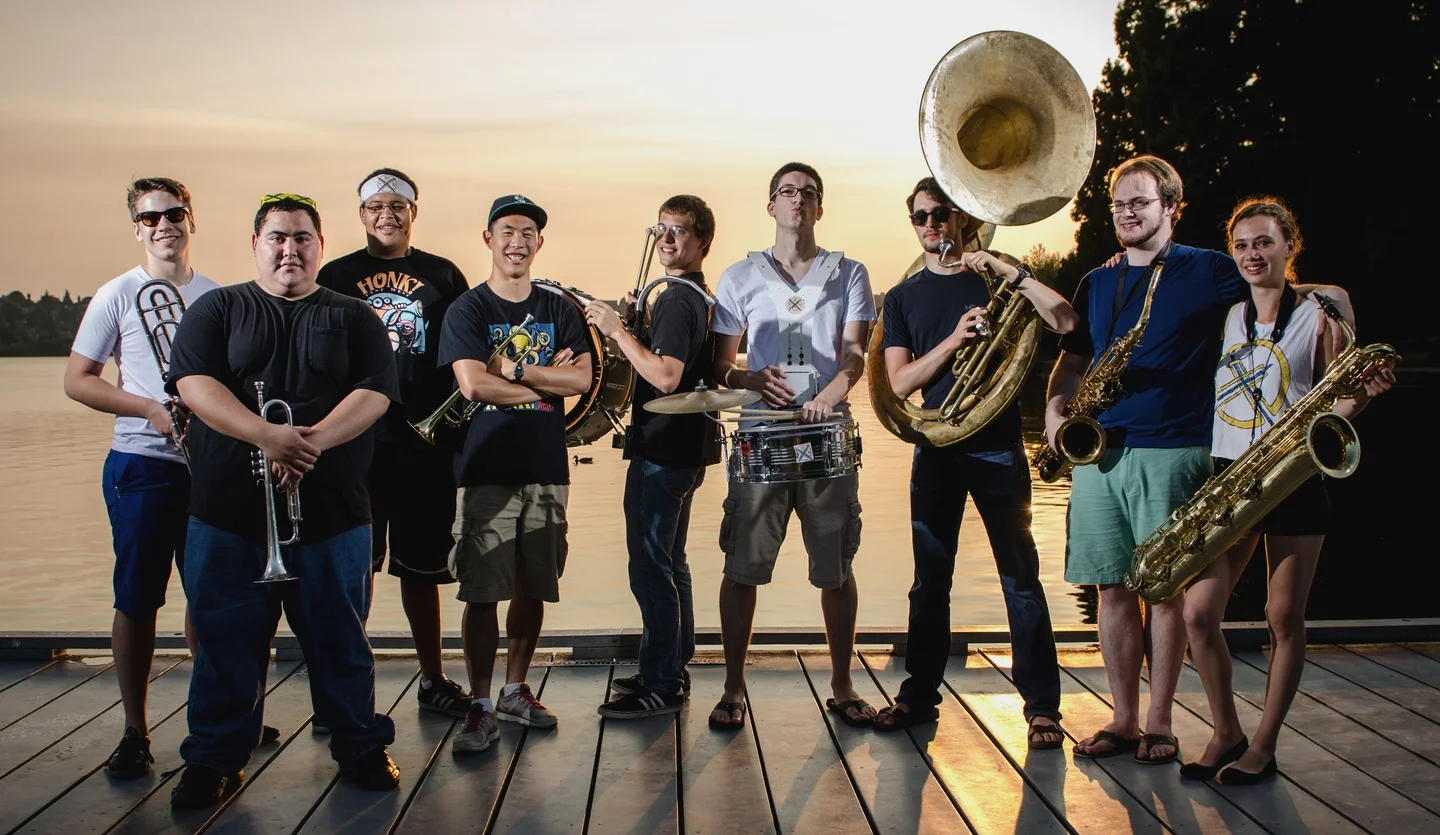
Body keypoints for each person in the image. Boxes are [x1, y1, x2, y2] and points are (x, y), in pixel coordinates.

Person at [1047, 156, 1345, 764]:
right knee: (1111, 588)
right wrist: (1055, 410)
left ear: (1171, 208)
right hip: (1102, 452)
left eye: (1141, 203)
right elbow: (1075, 359)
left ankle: (1161, 723)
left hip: (1180, 449)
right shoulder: (1097, 280)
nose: (1128, 214)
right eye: (1119, 205)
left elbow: (1277, 289)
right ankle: (1124, 719)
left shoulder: (1211, 271)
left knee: (1170, 592)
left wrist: (1333, 301)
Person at [164, 194, 401, 807]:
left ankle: (360, 746)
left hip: (334, 515)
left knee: (342, 640)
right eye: (277, 237)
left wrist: (308, 445)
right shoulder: (218, 308)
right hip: (227, 516)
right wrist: (265, 433)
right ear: (256, 245)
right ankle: (214, 757)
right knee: (223, 641)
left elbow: (375, 392)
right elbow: (193, 384)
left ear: (320, 246)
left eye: (301, 237)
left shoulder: (356, 316)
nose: (289, 249)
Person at [1180, 198, 1393, 783]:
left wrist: (1366, 393)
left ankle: (1264, 746)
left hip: (1293, 474)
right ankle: (1226, 731)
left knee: (1282, 618)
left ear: (1289, 246)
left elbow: (1345, 396)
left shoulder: (1323, 309)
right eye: (1243, 244)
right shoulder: (1227, 318)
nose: (1253, 253)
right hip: (1232, 474)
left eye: (1266, 242)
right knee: (1199, 613)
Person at [874, 178, 1075, 747]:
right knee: (929, 582)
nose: (931, 226)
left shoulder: (998, 277)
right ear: (911, 223)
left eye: (941, 214)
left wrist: (1015, 273)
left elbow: (1064, 322)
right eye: (920, 218)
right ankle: (918, 694)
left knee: (1021, 578)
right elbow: (899, 382)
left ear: (962, 217)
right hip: (936, 449)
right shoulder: (904, 297)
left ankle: (1041, 708)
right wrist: (955, 341)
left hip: (998, 445)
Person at [64, 177, 220, 779]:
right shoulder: (117, 293)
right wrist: (150, 409)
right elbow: (79, 379)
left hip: (205, 466)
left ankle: (215, 715)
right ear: (137, 228)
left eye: (174, 214)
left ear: (191, 220)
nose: (164, 226)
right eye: (151, 218)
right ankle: (135, 730)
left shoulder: (214, 294)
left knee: (208, 596)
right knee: (138, 598)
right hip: (142, 464)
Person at [710, 162, 875, 730]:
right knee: (743, 567)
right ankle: (733, 687)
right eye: (787, 192)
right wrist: (750, 380)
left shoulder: (848, 272)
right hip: (761, 435)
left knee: (835, 566)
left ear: (820, 208)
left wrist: (828, 396)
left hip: (826, 435)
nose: (797, 200)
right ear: (771, 205)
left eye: (808, 193)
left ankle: (843, 683)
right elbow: (720, 365)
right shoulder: (737, 276)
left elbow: (855, 354)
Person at [439, 195, 593, 753]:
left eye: (528, 232)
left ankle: (514, 689)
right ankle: (479, 703)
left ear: (539, 242)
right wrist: (543, 383)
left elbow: (582, 382)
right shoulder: (469, 310)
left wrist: (518, 370)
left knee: (535, 584)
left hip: (546, 467)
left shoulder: (559, 308)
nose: (517, 242)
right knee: (481, 589)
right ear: (488, 239)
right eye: (507, 231)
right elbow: (474, 386)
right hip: (485, 467)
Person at [318, 168, 471, 718]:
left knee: (421, 573)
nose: (387, 214)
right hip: (352, 448)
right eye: (376, 206)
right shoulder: (333, 275)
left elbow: (462, 360)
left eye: (398, 206)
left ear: (414, 212)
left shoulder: (442, 274)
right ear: (361, 214)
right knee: (349, 574)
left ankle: (432, 679)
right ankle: (342, 695)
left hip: (423, 451)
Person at [584, 196, 721, 719]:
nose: (666, 239)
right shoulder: (693, 295)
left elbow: (665, 375)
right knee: (672, 563)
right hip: (685, 450)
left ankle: (663, 681)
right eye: (660, 230)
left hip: (663, 451)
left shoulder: (675, 298)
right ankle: (672, 665)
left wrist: (617, 330)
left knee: (648, 569)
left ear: (702, 241)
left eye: (679, 231)